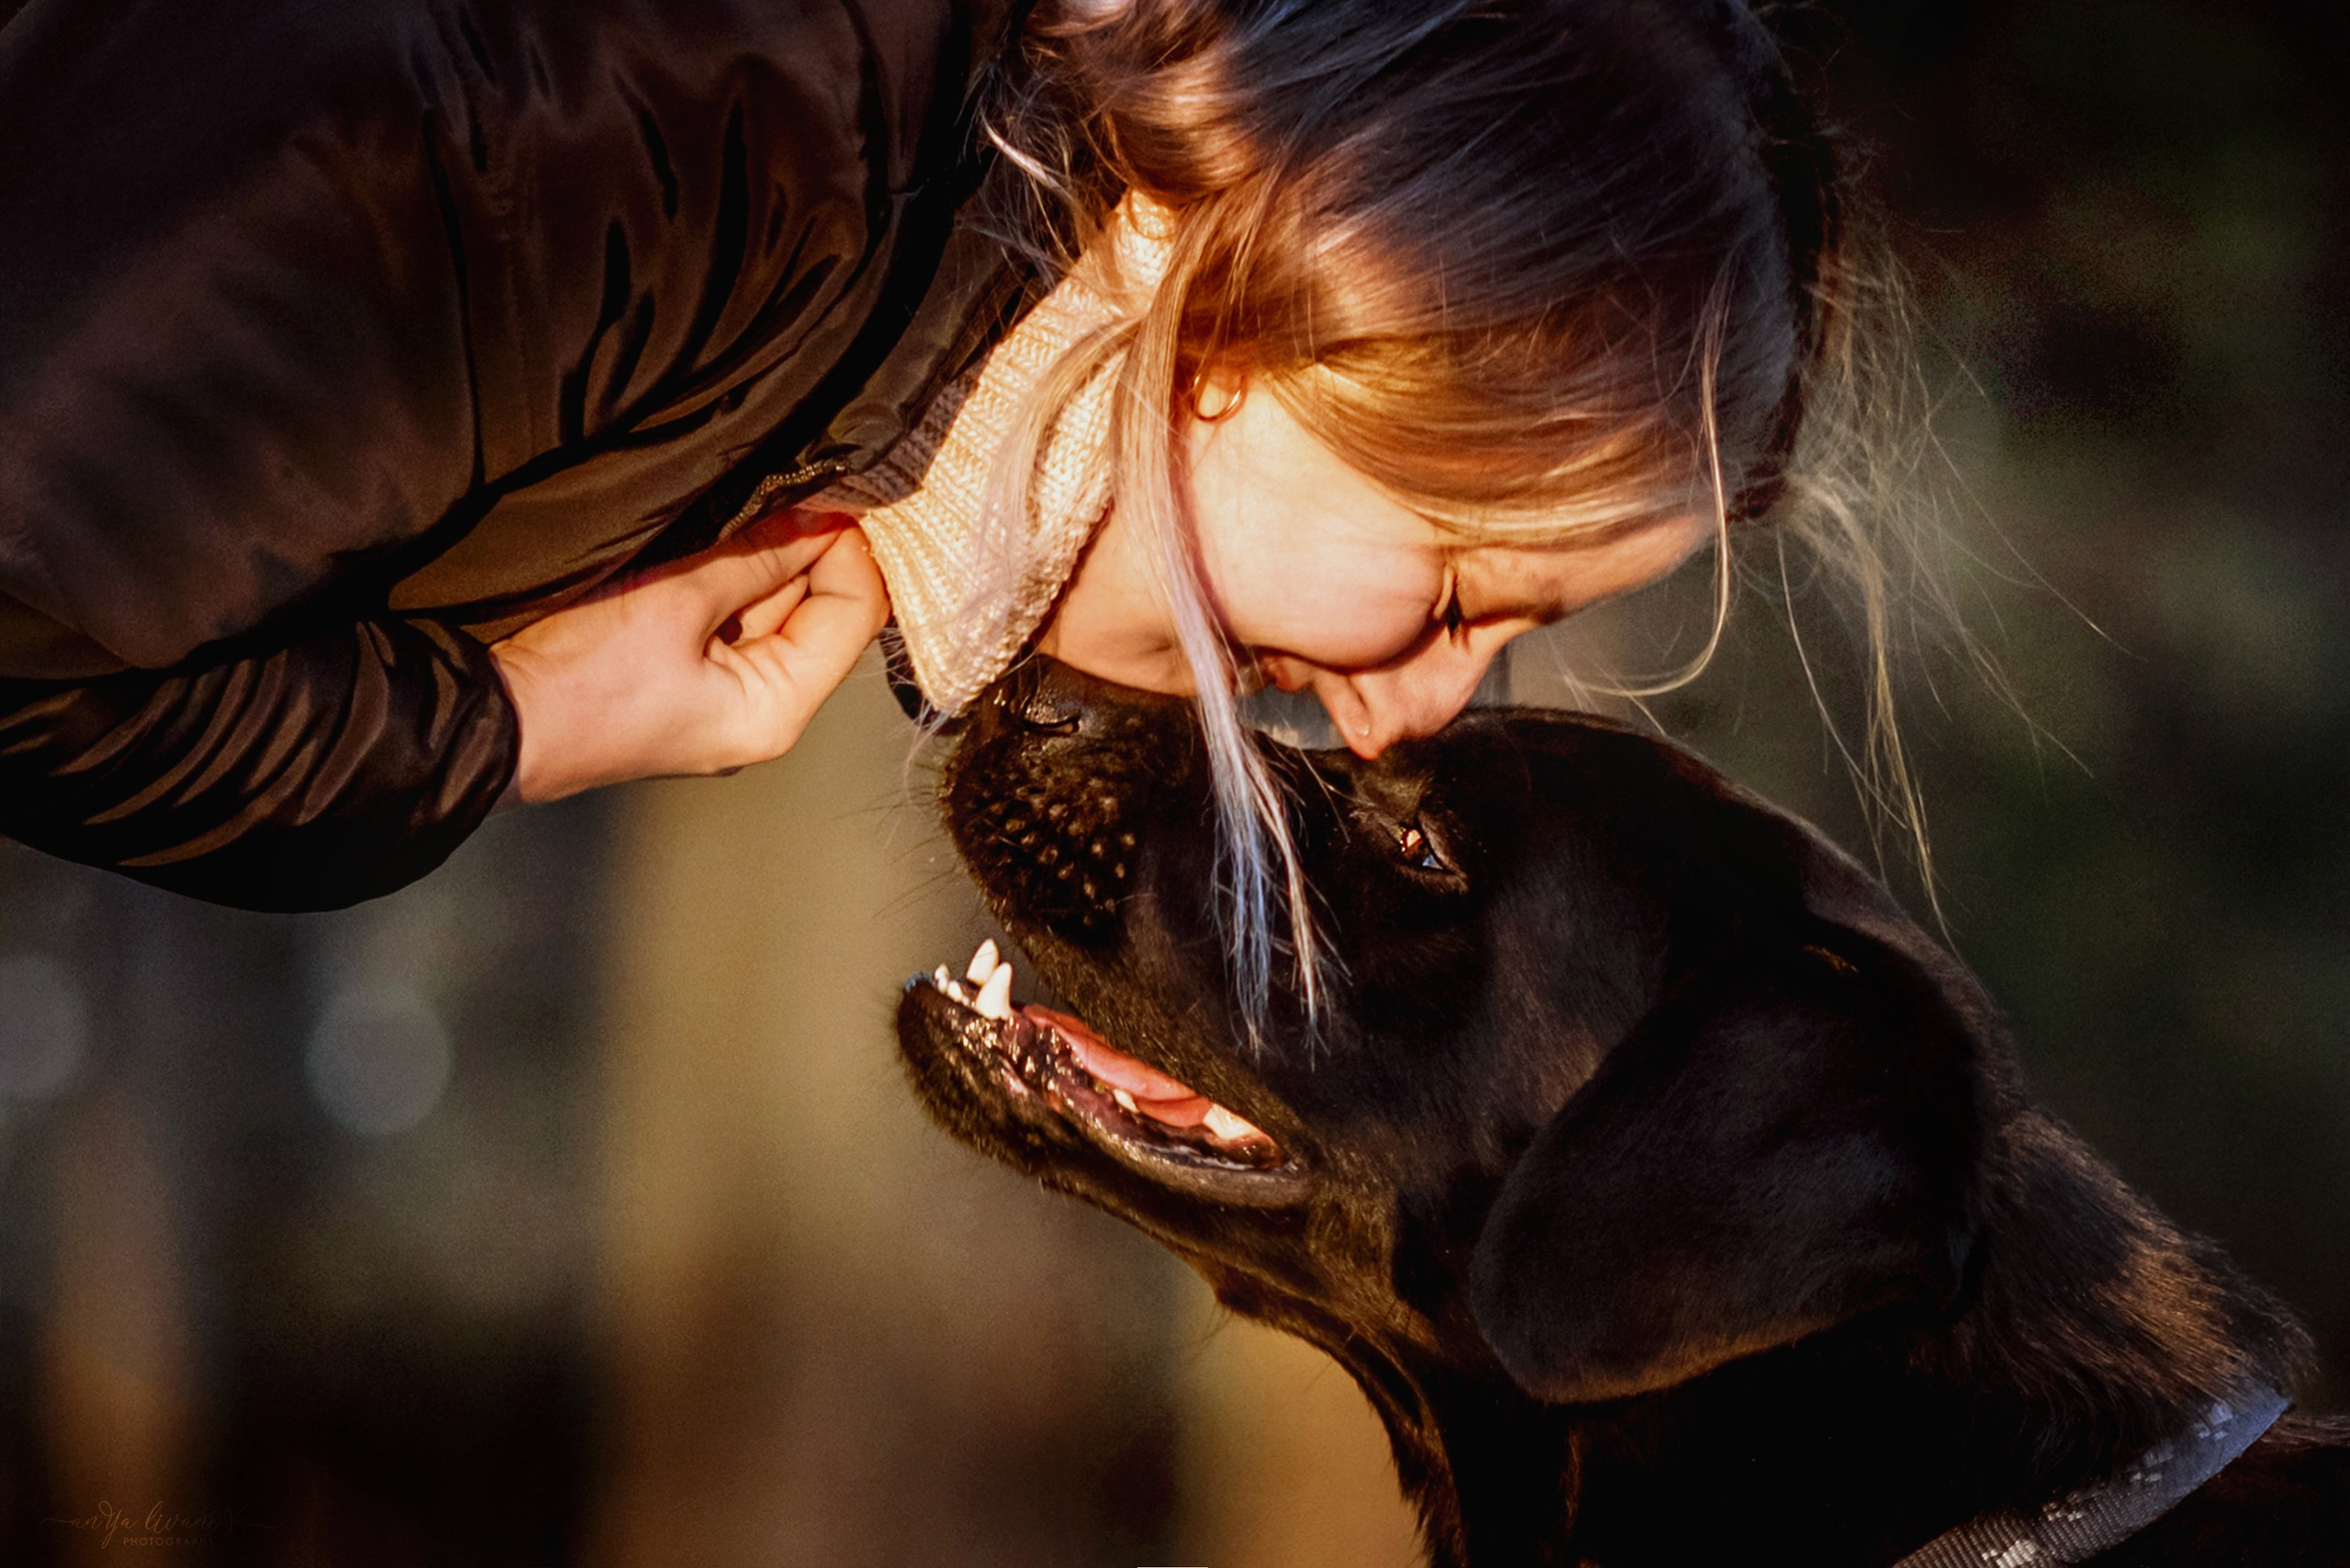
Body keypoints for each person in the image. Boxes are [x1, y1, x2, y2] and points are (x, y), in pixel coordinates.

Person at [0, 0, 1891, 1001]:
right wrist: (510, 725)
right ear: (1280, 307)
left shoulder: (844, 239)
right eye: (1468, 586)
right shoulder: (714, 146)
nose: (1415, 703)